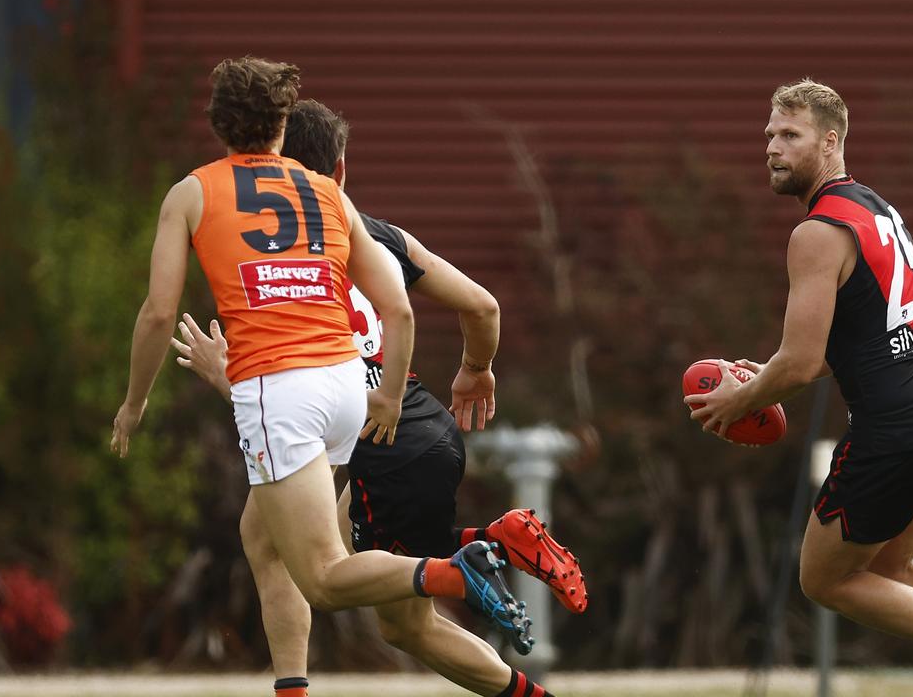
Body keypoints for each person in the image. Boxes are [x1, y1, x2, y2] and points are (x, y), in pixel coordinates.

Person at [109, 56, 530, 671]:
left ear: (218, 125)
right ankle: (295, 685)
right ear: (281, 126)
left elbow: (155, 315)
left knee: (325, 580)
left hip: (282, 391)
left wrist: (134, 401)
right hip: (345, 389)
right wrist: (385, 395)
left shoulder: (192, 191)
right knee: (266, 538)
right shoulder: (328, 192)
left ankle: (451, 572)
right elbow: (399, 310)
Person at [171, 99, 585, 697]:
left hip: (377, 439)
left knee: (367, 599)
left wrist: (223, 374)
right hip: (420, 422)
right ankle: (298, 681)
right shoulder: (380, 235)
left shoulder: (261, 253)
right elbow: (483, 306)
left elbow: (292, 384)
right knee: (268, 537)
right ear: (339, 170)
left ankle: (482, 549)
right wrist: (476, 369)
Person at [684, 79, 913, 697]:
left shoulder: (815, 233)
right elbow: (843, 345)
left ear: (830, 141)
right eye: (769, 134)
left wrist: (737, 400)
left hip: (895, 427)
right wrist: (761, 372)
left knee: (823, 581)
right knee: (890, 567)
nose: (772, 147)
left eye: (790, 135)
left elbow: (799, 366)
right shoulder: (874, 208)